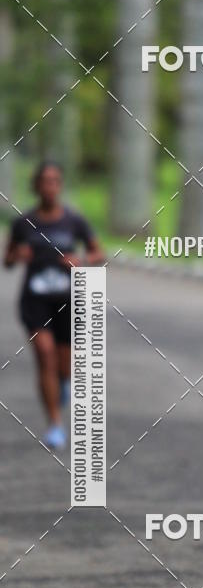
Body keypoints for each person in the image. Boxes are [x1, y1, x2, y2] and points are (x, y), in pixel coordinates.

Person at [3, 161, 104, 450]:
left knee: (64, 362)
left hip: (68, 301)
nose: (49, 186)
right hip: (35, 301)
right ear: (36, 186)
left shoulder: (73, 221)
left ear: (60, 185)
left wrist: (82, 261)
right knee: (45, 355)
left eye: (55, 181)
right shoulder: (23, 223)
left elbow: (99, 253)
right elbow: (8, 260)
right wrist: (16, 255)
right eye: (44, 181)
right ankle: (56, 425)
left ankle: (63, 383)